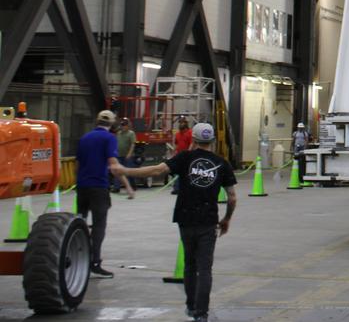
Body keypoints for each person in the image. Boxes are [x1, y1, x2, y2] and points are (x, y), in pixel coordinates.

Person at [113, 122, 236, 322]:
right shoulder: (221, 163)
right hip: (208, 221)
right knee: (205, 269)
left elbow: (155, 171)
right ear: (212, 141)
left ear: (194, 140)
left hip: (185, 219)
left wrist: (125, 171)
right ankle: (201, 314)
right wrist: (227, 219)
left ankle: (190, 305)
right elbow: (232, 197)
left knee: (189, 264)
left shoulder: (184, 158)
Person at [76, 110, 133, 278]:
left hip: (82, 186)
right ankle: (95, 262)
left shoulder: (84, 138)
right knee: (99, 226)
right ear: (112, 123)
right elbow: (114, 165)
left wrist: (78, 182)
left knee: (80, 222)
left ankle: (78, 258)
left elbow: (77, 165)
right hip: (98, 187)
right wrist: (128, 186)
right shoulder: (109, 139)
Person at [111, 118, 137, 193]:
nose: (123, 127)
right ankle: (116, 187)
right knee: (117, 171)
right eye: (122, 125)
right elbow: (116, 143)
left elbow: (133, 144)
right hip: (119, 155)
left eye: (124, 125)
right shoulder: (118, 133)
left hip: (128, 156)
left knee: (129, 171)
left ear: (127, 126)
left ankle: (132, 186)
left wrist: (129, 153)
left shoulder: (131, 133)